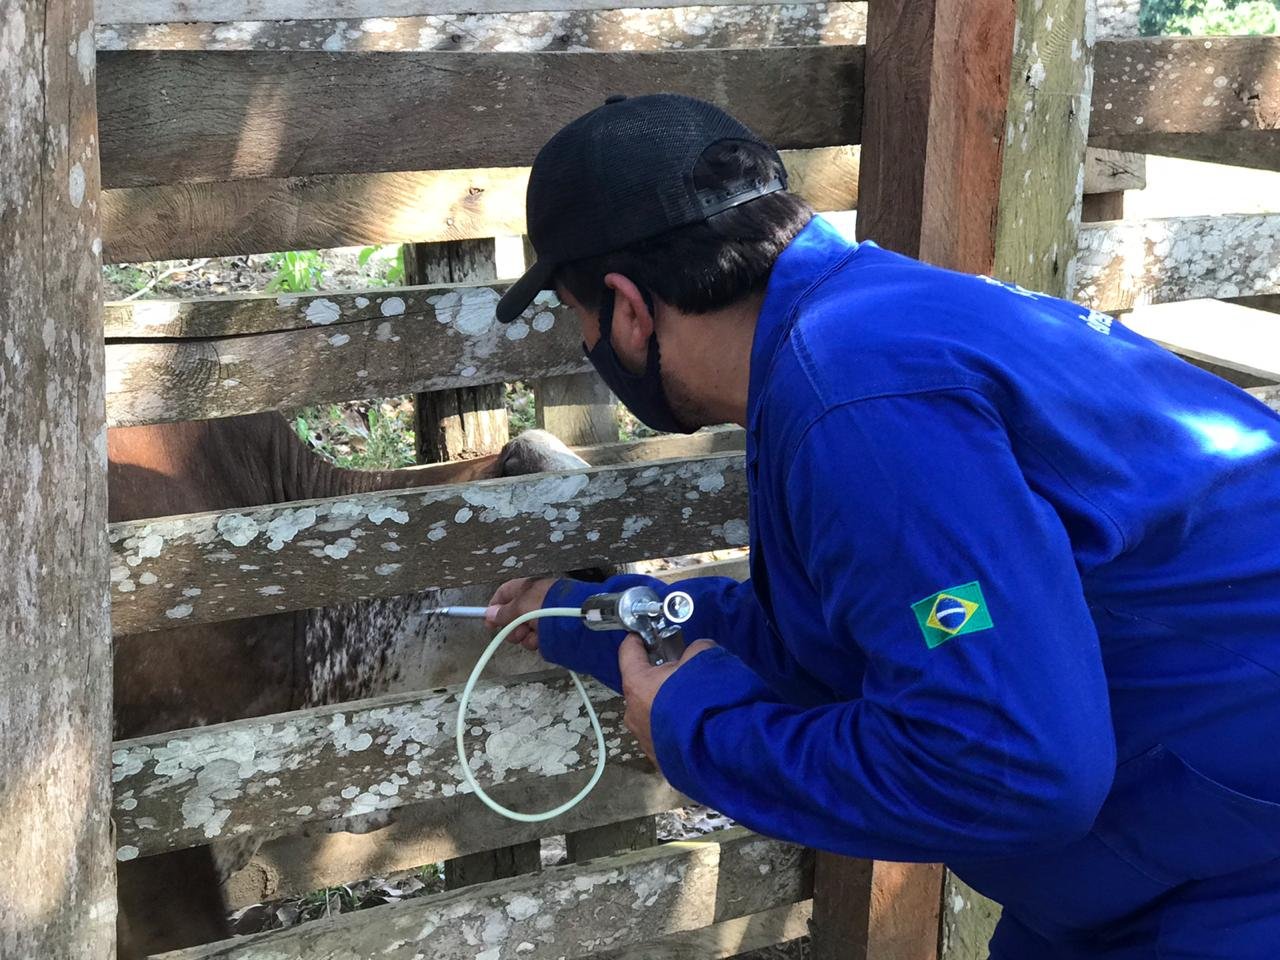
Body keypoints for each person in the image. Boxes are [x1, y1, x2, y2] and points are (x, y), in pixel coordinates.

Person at [485, 93, 1280, 959]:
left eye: (577, 317)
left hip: (1233, 876)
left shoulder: (856, 404)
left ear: (628, 308)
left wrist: (699, 728)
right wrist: (588, 618)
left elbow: (1010, 770)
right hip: (1163, 849)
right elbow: (867, 626)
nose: (591, 341)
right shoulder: (859, 328)